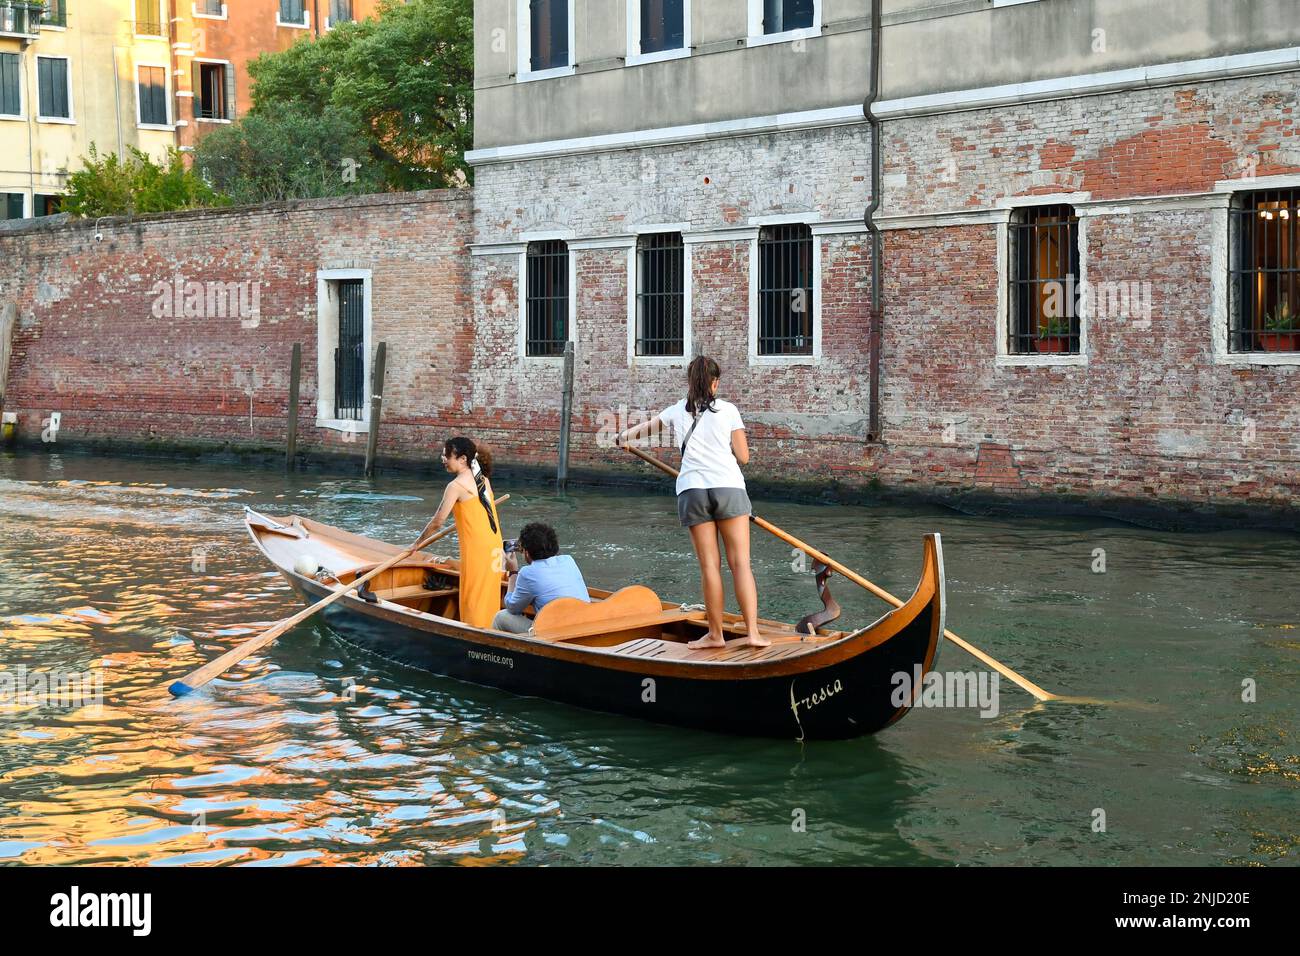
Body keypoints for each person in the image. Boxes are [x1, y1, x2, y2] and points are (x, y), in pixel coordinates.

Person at [616, 356, 766, 648]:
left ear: (689, 382)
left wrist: (623, 436)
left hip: (693, 491)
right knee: (741, 565)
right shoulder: (729, 410)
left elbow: (644, 429)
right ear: (715, 382)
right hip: (729, 489)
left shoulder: (676, 411)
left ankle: (715, 635)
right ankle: (754, 634)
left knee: (710, 566)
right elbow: (744, 458)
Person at [412, 437, 503, 629]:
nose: (443, 459)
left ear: (462, 459)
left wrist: (417, 544)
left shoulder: (455, 486)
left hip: (477, 549)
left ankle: (476, 636)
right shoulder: (483, 480)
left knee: (473, 595)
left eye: (446, 455)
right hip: (494, 546)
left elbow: (437, 522)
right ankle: (490, 630)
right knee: (487, 594)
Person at [493, 522, 590, 633]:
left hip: (555, 634)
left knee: (500, 617)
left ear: (527, 553)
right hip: (583, 624)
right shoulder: (568, 560)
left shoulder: (527, 573)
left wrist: (513, 571)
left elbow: (512, 608)